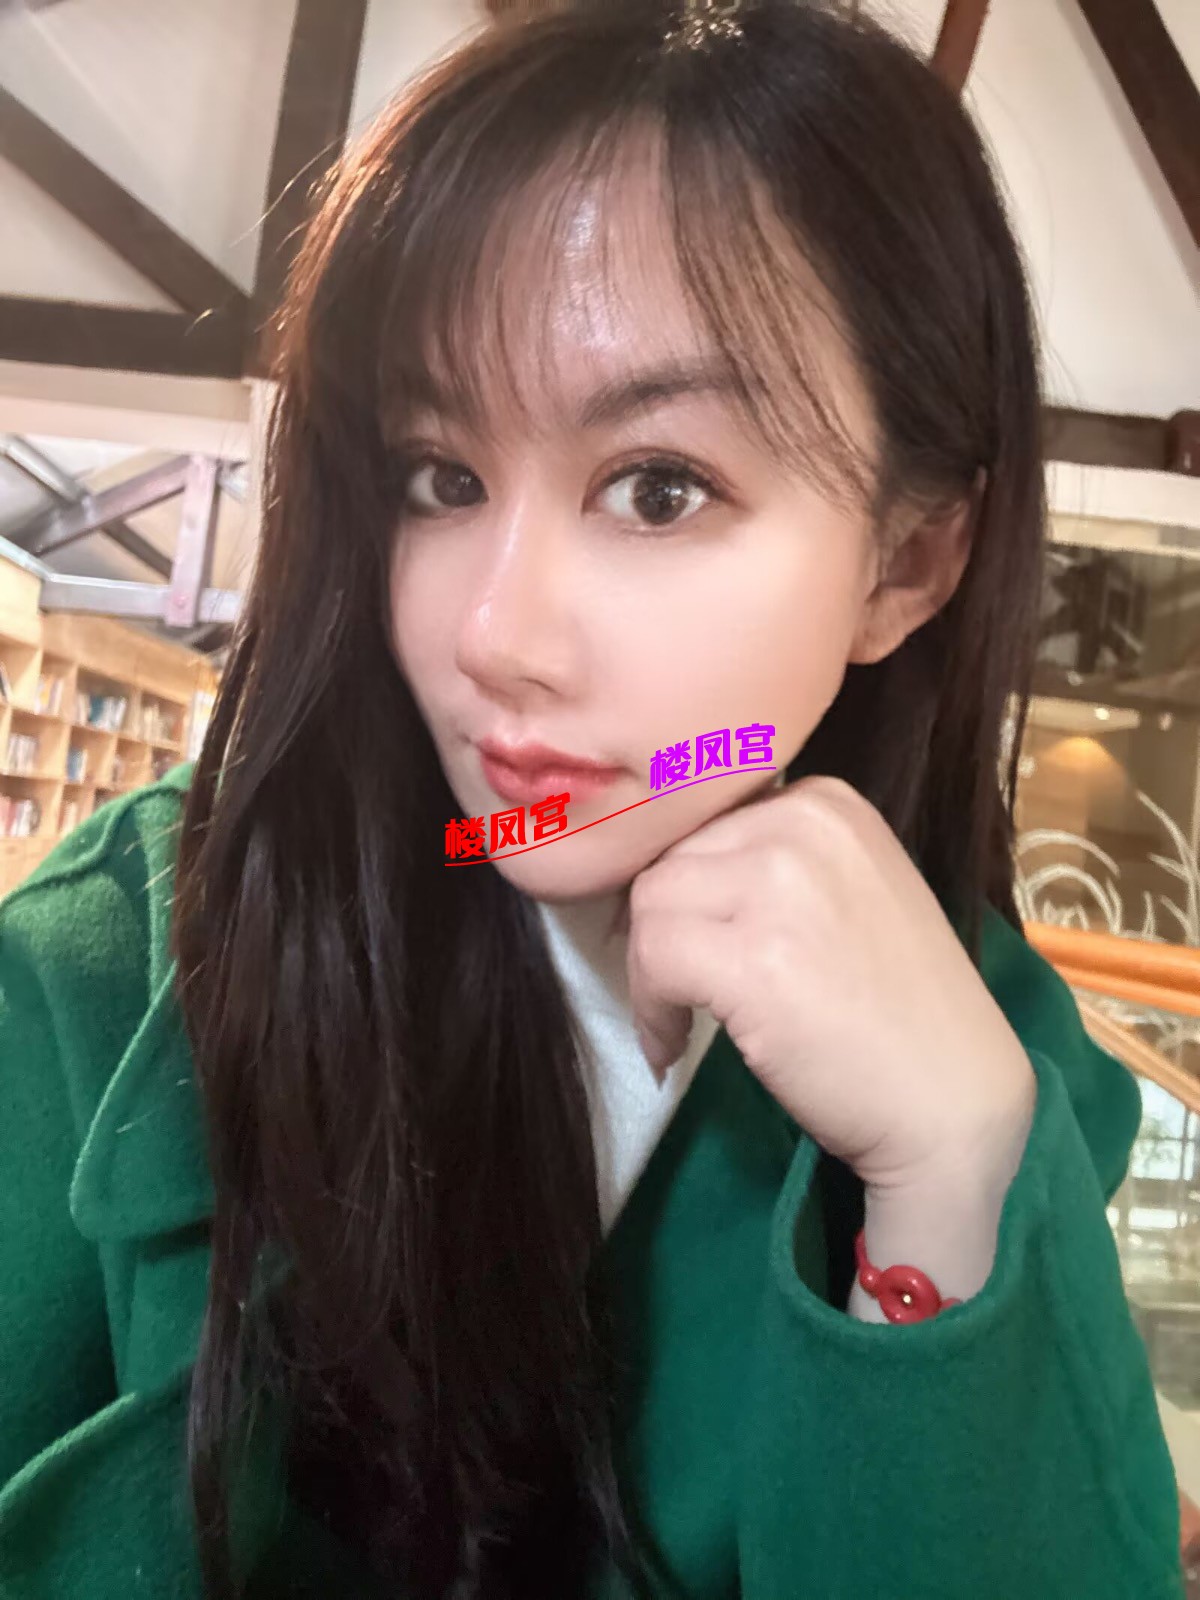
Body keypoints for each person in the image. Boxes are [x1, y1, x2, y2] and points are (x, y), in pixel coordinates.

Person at [0, 2, 1186, 1596]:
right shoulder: (107, 979)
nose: (493, 636)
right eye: (442, 475)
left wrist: (945, 1194)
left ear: (906, 564)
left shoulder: (991, 1065)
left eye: (657, 488)